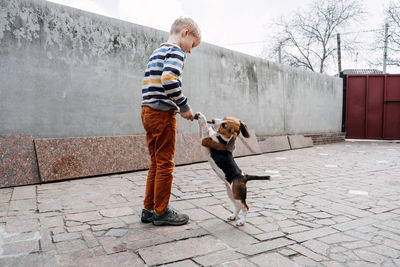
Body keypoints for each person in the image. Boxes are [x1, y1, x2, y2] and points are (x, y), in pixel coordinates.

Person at [140, 17, 201, 226]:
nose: (190, 51)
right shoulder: (176, 51)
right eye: (192, 44)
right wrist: (184, 107)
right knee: (165, 162)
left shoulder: (157, 51)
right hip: (162, 113)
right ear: (185, 33)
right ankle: (161, 211)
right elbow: (169, 80)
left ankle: (148, 209)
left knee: (156, 162)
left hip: (147, 111)